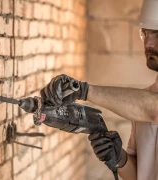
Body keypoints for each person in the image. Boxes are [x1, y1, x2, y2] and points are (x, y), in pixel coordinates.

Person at [40, 0, 158, 179]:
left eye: (157, 34)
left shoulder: (146, 106)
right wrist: (119, 158)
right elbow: (139, 175)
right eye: (144, 33)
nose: (148, 43)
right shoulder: (141, 103)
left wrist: (83, 90)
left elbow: (154, 109)